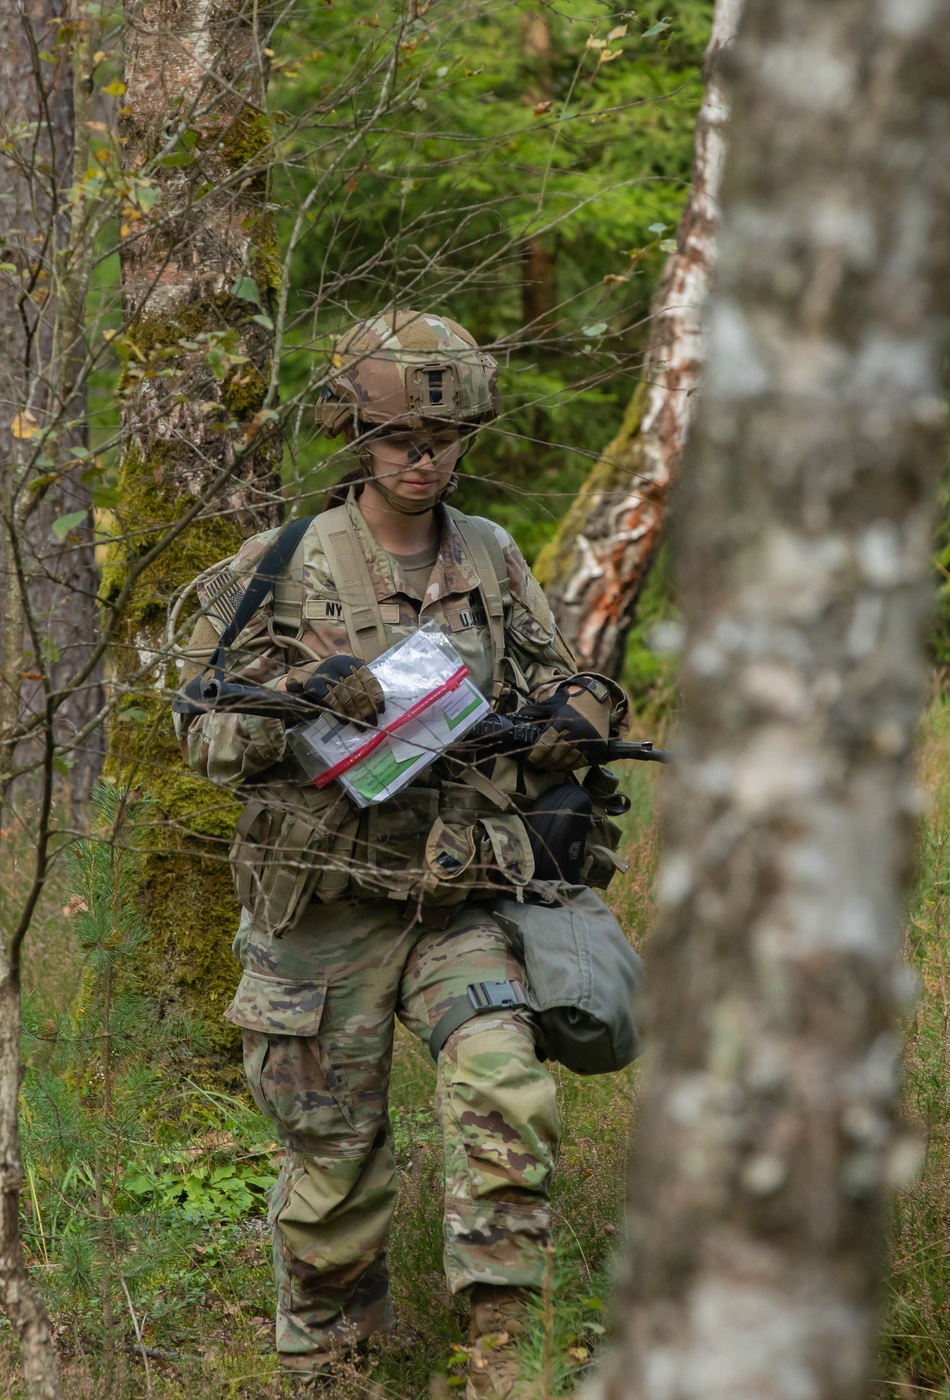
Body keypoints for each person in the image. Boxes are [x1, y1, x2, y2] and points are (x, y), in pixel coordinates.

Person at [174, 310, 631, 1396]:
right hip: (320, 908)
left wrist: (571, 715)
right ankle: (333, 1370)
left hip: (454, 898)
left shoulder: (490, 553)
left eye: (444, 438)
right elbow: (200, 733)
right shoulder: (276, 564)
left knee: (504, 1095)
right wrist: (294, 705)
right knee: (334, 1169)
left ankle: (502, 1360)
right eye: (397, 439)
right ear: (354, 435)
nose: (424, 459)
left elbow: (567, 675)